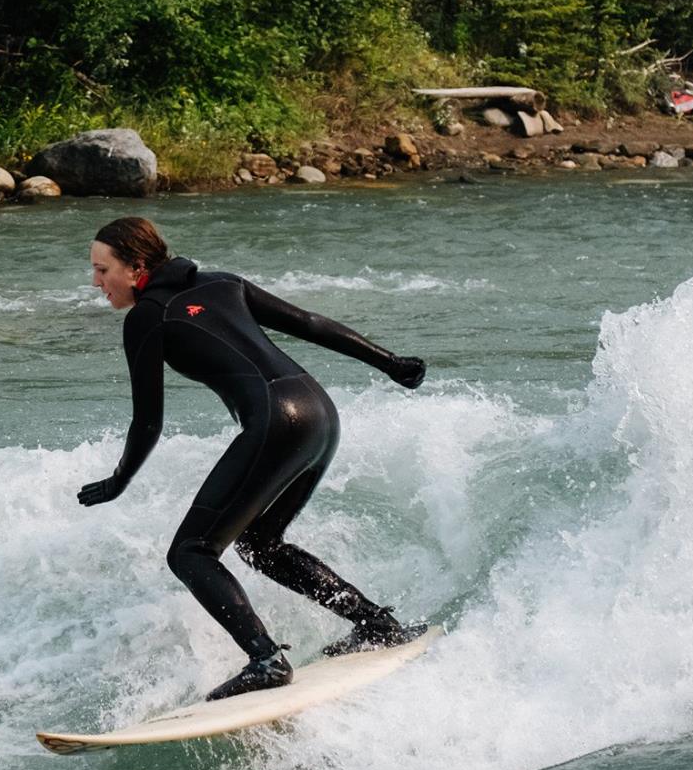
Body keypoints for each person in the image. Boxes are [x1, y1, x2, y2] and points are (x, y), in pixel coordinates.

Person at [78, 217, 429, 701]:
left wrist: (119, 480)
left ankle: (265, 659)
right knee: (260, 544)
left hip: (275, 421)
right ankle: (375, 622)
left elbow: (148, 422)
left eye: (102, 270)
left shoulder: (147, 317)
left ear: (137, 267)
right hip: (318, 412)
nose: (96, 282)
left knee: (190, 552)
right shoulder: (224, 283)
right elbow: (310, 324)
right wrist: (390, 362)